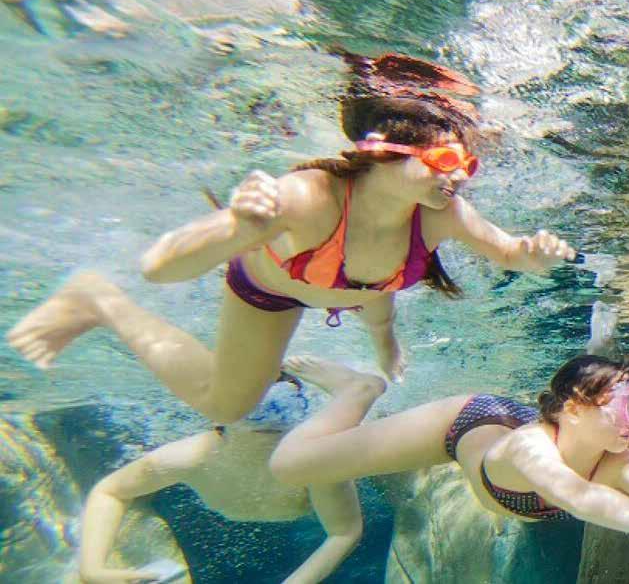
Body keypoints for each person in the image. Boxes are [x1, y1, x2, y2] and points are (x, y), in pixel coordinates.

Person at [7, 51, 576, 422]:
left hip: (366, 291)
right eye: (447, 160)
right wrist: (239, 229)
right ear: (384, 150)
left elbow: (510, 253)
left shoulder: (441, 212)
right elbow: (157, 267)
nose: (460, 176)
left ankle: (386, 345)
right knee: (227, 407)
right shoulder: (306, 198)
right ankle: (97, 300)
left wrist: (535, 255)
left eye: (468, 165)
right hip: (274, 290)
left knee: (378, 309)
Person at [270, 354, 629, 558]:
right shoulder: (531, 448)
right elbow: (578, 496)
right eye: (627, 407)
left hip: (528, 427)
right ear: (574, 406)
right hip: (463, 426)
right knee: (289, 466)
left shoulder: (614, 458)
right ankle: (359, 388)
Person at [78, 371, 386, 584]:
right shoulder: (191, 456)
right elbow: (110, 491)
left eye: (283, 406)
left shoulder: (312, 459)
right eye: (255, 408)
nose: (270, 419)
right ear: (220, 414)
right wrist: (92, 568)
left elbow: (344, 532)